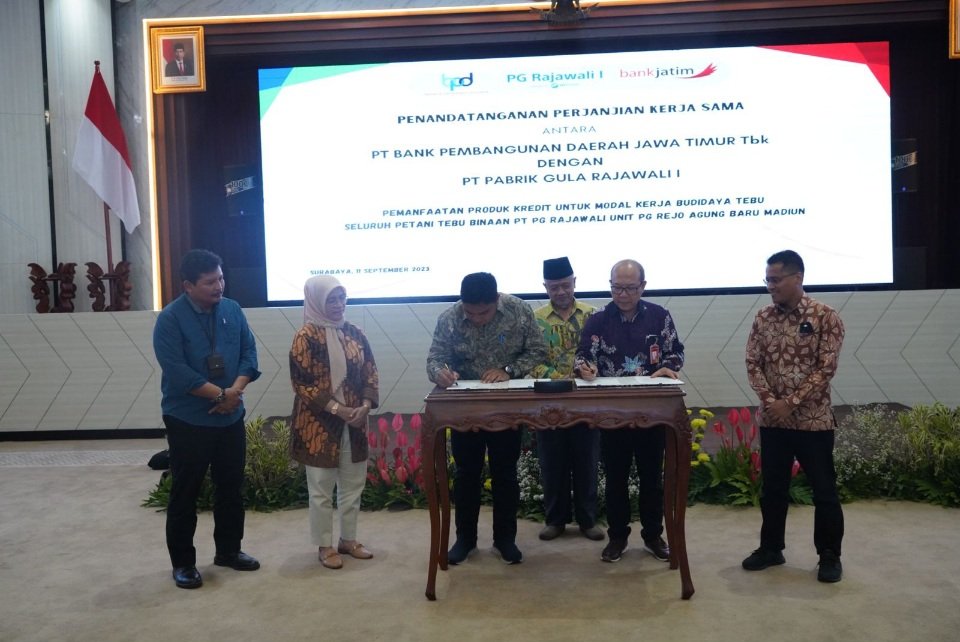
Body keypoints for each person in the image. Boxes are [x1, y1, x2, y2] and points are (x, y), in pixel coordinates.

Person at [152, 249, 261, 589]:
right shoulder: (170, 319)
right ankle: (183, 563)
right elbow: (177, 370)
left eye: (221, 278)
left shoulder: (232, 309)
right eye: (210, 282)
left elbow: (249, 353)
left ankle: (229, 551)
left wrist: (234, 392)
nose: (219, 286)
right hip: (188, 419)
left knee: (231, 487)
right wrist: (220, 395)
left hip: (230, 416)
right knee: (186, 492)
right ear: (188, 285)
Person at [426, 272, 548, 565]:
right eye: (470, 313)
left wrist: (508, 370)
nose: (477, 319)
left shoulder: (518, 310)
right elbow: (435, 359)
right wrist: (441, 373)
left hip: (506, 404)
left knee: (505, 473)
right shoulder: (450, 318)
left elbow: (538, 350)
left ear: (497, 300)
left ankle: (505, 540)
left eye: (484, 313)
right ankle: (465, 540)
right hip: (466, 407)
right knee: (466, 473)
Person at [741, 250, 846, 583]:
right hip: (774, 421)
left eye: (776, 280)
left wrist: (791, 402)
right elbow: (753, 363)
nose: (770, 286)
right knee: (773, 489)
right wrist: (771, 401)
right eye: (767, 280)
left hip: (813, 421)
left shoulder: (825, 316)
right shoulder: (763, 317)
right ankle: (771, 548)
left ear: (797, 278)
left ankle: (829, 555)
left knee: (824, 491)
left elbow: (826, 368)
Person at [574, 259, 684, 564]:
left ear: (643, 287)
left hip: (651, 410)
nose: (622, 294)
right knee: (615, 477)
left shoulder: (659, 316)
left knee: (652, 477)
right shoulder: (597, 319)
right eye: (617, 288)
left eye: (630, 288)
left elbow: (676, 352)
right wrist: (584, 368)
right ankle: (617, 537)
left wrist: (668, 367)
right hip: (612, 411)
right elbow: (582, 356)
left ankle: (653, 536)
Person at [289, 276, 379, 570]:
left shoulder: (354, 333)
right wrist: (337, 409)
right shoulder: (305, 337)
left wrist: (365, 406)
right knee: (321, 488)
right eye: (331, 299)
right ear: (316, 301)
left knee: (353, 485)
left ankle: (348, 540)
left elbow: (370, 372)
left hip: (354, 421)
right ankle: (325, 545)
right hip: (318, 425)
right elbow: (302, 383)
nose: (339, 305)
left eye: (342, 298)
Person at [529, 257, 603, 542]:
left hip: (585, 400)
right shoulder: (535, 319)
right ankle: (555, 520)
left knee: (587, 460)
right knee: (552, 461)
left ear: (574, 283)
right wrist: (561, 376)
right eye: (554, 287)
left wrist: (591, 370)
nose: (560, 292)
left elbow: (603, 353)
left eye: (565, 285)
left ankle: (588, 520)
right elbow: (531, 359)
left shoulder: (592, 315)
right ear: (545, 287)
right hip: (548, 400)